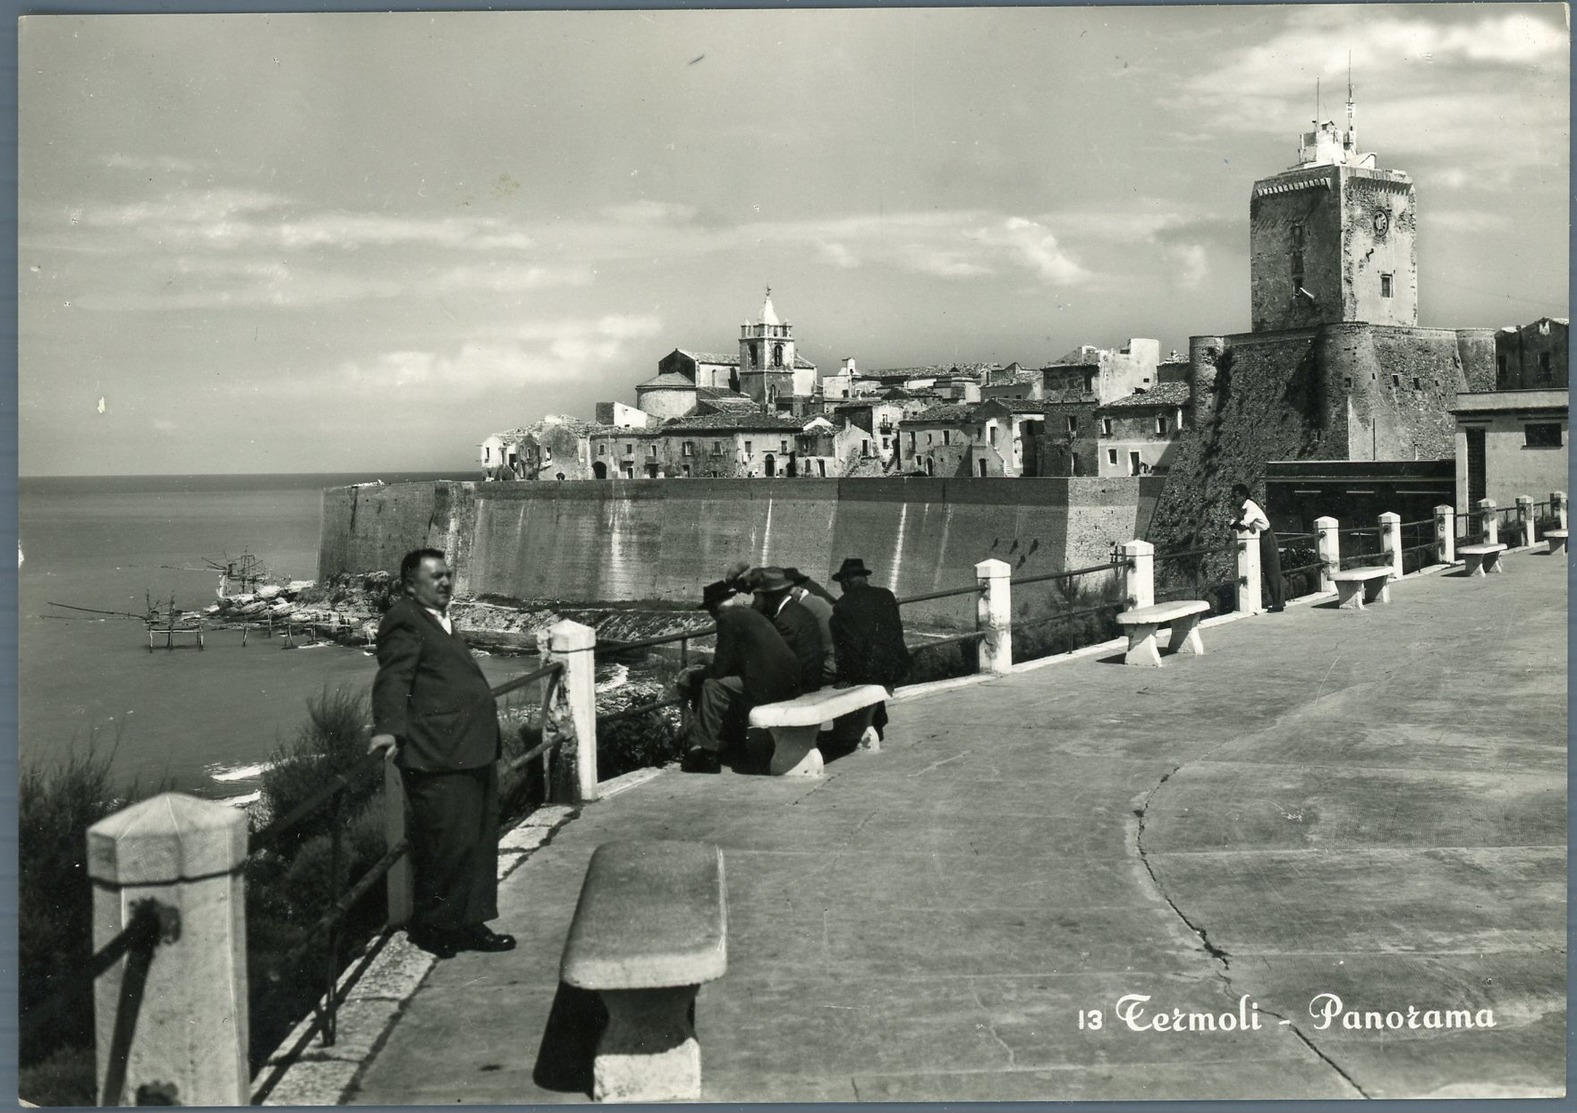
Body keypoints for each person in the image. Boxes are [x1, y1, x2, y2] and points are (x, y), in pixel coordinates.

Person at [368, 549, 515, 959]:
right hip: (439, 754)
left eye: (448, 575)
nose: (446, 582)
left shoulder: (440, 620)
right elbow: (393, 678)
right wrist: (388, 729)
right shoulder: (404, 620)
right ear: (410, 585)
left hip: (470, 749)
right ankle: (435, 928)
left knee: (477, 844)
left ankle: (470, 923)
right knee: (446, 847)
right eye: (435, 577)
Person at [674, 580, 801, 773]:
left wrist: (693, 676)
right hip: (789, 681)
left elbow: (719, 669)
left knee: (712, 687)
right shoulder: (747, 614)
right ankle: (734, 744)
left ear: (714, 608)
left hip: (770, 685)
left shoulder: (726, 620)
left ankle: (707, 755)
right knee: (730, 688)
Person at [828, 557, 911, 749]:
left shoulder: (843, 605)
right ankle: (877, 721)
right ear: (864, 578)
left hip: (869, 671)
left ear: (846, 582)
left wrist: (844, 678)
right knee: (872, 663)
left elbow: (848, 648)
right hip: (897, 666)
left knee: (848, 678)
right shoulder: (886, 595)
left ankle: (854, 730)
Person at [746, 566, 826, 694]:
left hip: (800, 684)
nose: (757, 601)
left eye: (759, 596)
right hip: (807, 678)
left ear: (770, 596)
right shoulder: (795, 609)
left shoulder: (785, 619)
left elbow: (770, 658)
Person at [1231, 482, 1285, 612]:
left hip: (1266, 537)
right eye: (1232, 497)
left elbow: (1242, 524)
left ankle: (1278, 603)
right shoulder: (1239, 508)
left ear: (1243, 496)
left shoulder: (1250, 506)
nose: (1234, 499)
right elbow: (1232, 523)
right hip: (1256, 538)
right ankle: (1266, 600)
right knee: (1257, 570)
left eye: (1236, 496)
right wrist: (1237, 523)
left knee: (1272, 570)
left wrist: (1238, 523)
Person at [783, 567, 836, 686]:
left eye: (788, 589)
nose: (785, 593)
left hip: (828, 667)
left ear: (800, 587)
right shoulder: (817, 600)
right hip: (835, 661)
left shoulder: (803, 607)